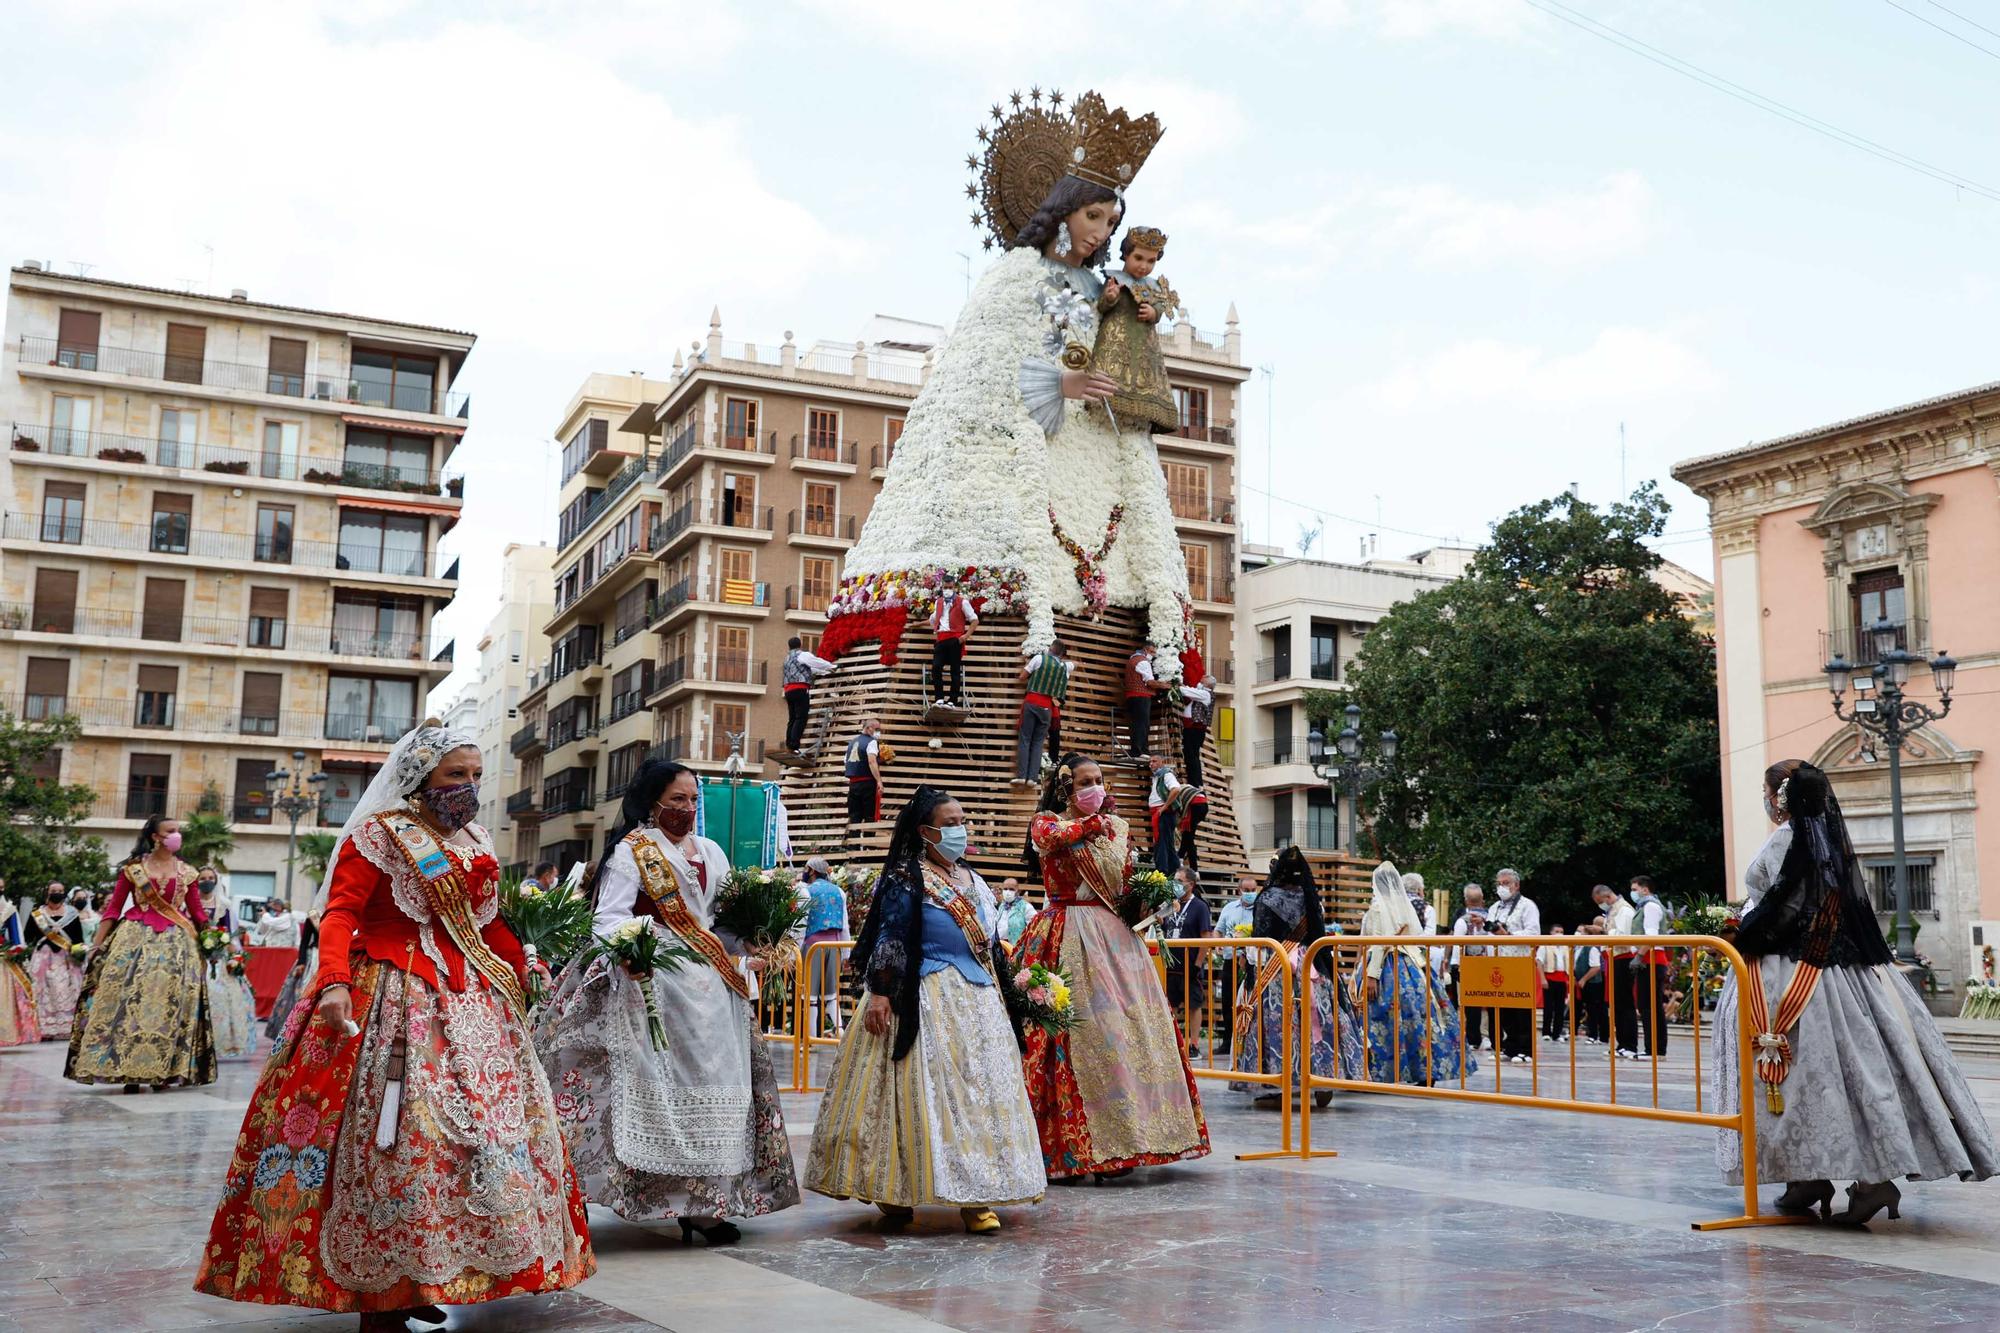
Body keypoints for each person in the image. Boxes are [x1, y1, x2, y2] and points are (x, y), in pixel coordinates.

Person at [195, 722, 591, 1326]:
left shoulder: (473, 840)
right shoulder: (379, 836)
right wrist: (331, 981)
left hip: (473, 1009)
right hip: (391, 999)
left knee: (469, 1148)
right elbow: (340, 914)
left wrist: (525, 965)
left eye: (476, 775)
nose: (469, 786)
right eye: (456, 774)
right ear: (421, 777)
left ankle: (429, 1275)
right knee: (397, 1142)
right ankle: (378, 1294)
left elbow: (489, 926)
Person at [822, 89, 1190, 663]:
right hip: (1013, 468)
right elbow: (989, 372)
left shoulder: (1102, 289)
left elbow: (1117, 354)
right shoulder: (1015, 277)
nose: (1100, 232)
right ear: (1062, 209)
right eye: (1092, 215)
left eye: (1110, 221)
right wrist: (1060, 385)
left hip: (1100, 453)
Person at [1713, 759, 1998, 1225]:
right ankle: (1824, 1177)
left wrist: (1738, 933)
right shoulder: (1825, 842)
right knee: (1849, 1074)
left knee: (1802, 1075)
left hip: (1791, 976)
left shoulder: (1789, 840)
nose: (1765, 802)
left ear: (1779, 796)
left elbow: (1785, 908)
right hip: (1844, 975)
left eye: (1766, 793)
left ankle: (1848, 1179)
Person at [535, 758, 799, 1243]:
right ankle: (585, 1192)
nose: (689, 808)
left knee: (714, 1091)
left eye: (694, 799)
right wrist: (633, 949)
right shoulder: (631, 853)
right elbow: (608, 918)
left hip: (713, 990)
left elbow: (720, 922)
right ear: (651, 802)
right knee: (615, 1090)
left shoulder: (712, 852)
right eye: (678, 799)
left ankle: (703, 1206)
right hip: (649, 980)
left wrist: (752, 944)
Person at [806, 786, 1045, 1232]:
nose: (960, 829)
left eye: (962, 821)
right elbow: (891, 934)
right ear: (925, 831)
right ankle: (896, 1189)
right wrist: (879, 992)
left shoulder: (971, 879)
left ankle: (979, 1196)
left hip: (978, 1000)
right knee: (920, 1094)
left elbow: (990, 945)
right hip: (924, 994)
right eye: (950, 823)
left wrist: (1017, 991)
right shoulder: (905, 875)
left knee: (981, 1096)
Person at [1017, 753, 1210, 1180]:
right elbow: (1052, 838)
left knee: (1126, 1033)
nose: (1096, 788)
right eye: (1086, 781)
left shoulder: (1116, 831)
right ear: (1066, 786)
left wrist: (1149, 899)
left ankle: (1131, 1138)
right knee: (1078, 1033)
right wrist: (1095, 824)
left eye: (1100, 780)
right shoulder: (1047, 823)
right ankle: (1075, 1145)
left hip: (1117, 940)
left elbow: (1122, 887)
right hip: (1066, 932)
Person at [66, 815, 215, 1092]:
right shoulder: (132, 870)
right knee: (127, 1005)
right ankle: (129, 1071)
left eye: (178, 831)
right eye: (170, 831)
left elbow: (197, 914)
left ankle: (164, 1072)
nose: (176, 836)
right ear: (155, 837)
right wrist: (97, 945)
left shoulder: (189, 873)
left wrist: (213, 941)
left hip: (177, 946)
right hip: (134, 939)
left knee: (171, 1007)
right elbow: (113, 909)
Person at [1231, 847, 1360, 1107]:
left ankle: (1280, 1084)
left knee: (1279, 1022)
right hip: (1311, 964)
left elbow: (1261, 937)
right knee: (1319, 1019)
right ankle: (1324, 1077)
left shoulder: (1267, 898)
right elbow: (1318, 932)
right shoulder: (1310, 896)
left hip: (1278, 965)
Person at [1358, 861, 1473, 1085]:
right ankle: (1424, 1069)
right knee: (1418, 1018)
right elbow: (1418, 935)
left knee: (1379, 1018)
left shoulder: (1378, 908)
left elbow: (1380, 943)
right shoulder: (1406, 906)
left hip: (1384, 966)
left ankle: (1379, 1072)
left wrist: (1371, 976)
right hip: (1411, 965)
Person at [198, 869, 257, 1060]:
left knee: (224, 996)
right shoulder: (189, 904)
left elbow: (231, 935)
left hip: (219, 958)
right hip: (197, 955)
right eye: (202, 879)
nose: (206, 881)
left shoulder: (224, 906)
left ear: (216, 881)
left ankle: (220, 1042)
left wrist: (236, 959)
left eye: (210, 878)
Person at [1485, 869, 1540, 1064]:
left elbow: (1533, 933)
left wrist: (1508, 936)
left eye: (1506, 883)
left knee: (1521, 1007)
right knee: (1504, 1007)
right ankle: (1510, 1046)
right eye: (1499, 883)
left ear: (1516, 885)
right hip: (1498, 963)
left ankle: (1526, 1049)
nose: (1502, 887)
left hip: (1519, 961)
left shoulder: (1527, 906)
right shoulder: (1494, 908)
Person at [1163, 867, 1214, 1051]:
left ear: (1190, 885)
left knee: (1193, 1005)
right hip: (1170, 965)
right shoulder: (1170, 904)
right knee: (1171, 1005)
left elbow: (1206, 936)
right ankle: (1172, 1043)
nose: (1175, 884)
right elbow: (1161, 924)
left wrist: (1197, 964)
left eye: (1179, 881)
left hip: (1190, 965)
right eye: (1174, 880)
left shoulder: (1200, 906)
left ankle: (1193, 1044)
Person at [1588, 882, 1640, 1058]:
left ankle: (1630, 1044)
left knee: (1625, 1004)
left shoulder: (1624, 910)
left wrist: (1603, 933)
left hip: (1624, 958)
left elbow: (1624, 935)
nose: (1600, 905)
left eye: (1599, 901)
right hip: (1614, 957)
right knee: (1617, 1004)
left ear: (1607, 897)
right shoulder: (1612, 910)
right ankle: (1621, 1043)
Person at [27, 884, 85, 1040]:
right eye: (54, 891)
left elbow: (79, 938)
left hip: (66, 960)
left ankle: (68, 1026)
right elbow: (28, 936)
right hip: (43, 958)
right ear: (47, 893)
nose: (57, 894)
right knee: (42, 991)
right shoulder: (37, 914)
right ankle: (44, 1029)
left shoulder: (72, 913)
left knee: (65, 990)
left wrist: (80, 955)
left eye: (60, 891)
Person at [801, 857, 850, 1037]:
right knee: (831, 994)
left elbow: (801, 923)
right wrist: (846, 953)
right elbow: (845, 924)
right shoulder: (839, 891)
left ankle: (811, 1039)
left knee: (810, 997)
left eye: (806, 868)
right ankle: (840, 1034)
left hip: (813, 945)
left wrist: (795, 953)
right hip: (835, 944)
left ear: (812, 871)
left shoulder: (806, 891)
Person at [1015, 639, 1073, 786]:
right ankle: (1033, 779)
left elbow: (1022, 677)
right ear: (1061, 654)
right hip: (1047, 707)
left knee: (1025, 739)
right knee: (1038, 742)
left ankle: (1022, 776)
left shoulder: (1039, 658)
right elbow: (1074, 664)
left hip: (1033, 701)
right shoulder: (1064, 667)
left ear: (1050, 648)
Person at [1213, 876, 1258, 1055]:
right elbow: (1218, 930)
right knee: (1228, 1001)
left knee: (1249, 1000)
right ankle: (1228, 1040)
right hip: (1230, 959)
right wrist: (1216, 942)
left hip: (1251, 961)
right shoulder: (1229, 908)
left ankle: (1248, 1039)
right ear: (1239, 890)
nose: (1249, 893)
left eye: (1252, 890)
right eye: (1246, 890)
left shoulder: (1260, 909)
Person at [1629, 876, 1673, 1057]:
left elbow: (1651, 935)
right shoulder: (1646, 906)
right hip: (1649, 959)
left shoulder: (1651, 906)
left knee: (1649, 1006)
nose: (1633, 892)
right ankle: (1654, 1048)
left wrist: (1639, 956)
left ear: (1645, 889)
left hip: (1651, 959)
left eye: (1634, 889)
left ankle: (1654, 1049)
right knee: (1647, 1005)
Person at [263, 910, 320, 1041]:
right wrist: (302, 962)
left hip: (331, 957)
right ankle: (295, 1032)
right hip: (314, 958)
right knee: (300, 996)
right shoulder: (313, 915)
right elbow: (304, 942)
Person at [1449, 885, 1492, 1052]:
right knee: (1487, 1001)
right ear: (1482, 900)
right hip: (1487, 964)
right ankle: (1486, 1035)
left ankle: (1473, 1038)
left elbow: (1457, 945)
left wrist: (1455, 965)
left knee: (1469, 1002)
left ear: (1466, 900)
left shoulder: (1462, 920)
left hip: (1466, 964)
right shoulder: (1490, 917)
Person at [927, 575, 979, 707]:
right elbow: (932, 619)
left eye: (950, 587)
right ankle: (939, 698)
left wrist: (965, 636)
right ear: (942, 587)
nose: (948, 590)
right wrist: (915, 625)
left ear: (954, 587)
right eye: (945, 587)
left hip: (955, 639)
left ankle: (952, 701)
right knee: (936, 667)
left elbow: (974, 620)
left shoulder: (963, 602)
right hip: (941, 639)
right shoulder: (938, 602)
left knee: (954, 671)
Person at [782, 636, 836, 753]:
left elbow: (809, 669)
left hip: (788, 690)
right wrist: (831, 666)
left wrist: (825, 671)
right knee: (801, 717)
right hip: (800, 689)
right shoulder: (802, 655)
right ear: (800, 645)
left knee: (792, 718)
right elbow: (815, 662)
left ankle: (789, 743)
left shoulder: (787, 658)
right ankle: (794, 745)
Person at [0, 894, 40, 1047]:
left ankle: (6, 1034)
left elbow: (16, 938)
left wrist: (15, 950)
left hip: (4, 960)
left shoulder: (8, 910)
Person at [844, 716, 886, 836]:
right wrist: (879, 781)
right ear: (869, 728)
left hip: (853, 784)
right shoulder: (871, 742)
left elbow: (846, 762)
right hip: (867, 783)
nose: (878, 732)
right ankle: (868, 846)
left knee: (855, 816)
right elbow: (871, 761)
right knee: (869, 815)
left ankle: (854, 847)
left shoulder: (852, 742)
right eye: (877, 729)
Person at [1144, 753, 1184, 876]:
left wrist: (1164, 807)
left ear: (1162, 762)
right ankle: (1175, 869)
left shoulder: (1166, 774)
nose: (1151, 764)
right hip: (1160, 812)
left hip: (1164, 813)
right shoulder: (1157, 776)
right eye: (1150, 762)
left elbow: (1176, 789)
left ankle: (1162, 871)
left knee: (1161, 841)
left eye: (1154, 761)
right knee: (1166, 842)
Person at [1177, 673, 1215, 788]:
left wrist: (1177, 686)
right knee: (1191, 755)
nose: (1200, 680)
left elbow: (1187, 692)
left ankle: (1195, 782)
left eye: (1202, 680)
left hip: (1195, 729)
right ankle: (1195, 781)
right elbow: (1190, 690)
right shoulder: (1202, 693)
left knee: (1191, 755)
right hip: (1192, 729)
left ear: (1206, 683)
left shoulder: (1205, 694)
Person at [1124, 644, 1160, 761]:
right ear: (1146, 650)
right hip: (1141, 696)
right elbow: (1150, 682)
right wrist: (1166, 685)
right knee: (1142, 724)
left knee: (1138, 724)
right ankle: (1139, 751)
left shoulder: (1132, 659)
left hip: (1132, 696)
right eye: (1152, 652)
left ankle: (1139, 750)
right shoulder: (1143, 662)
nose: (1153, 655)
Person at [1537, 926, 1572, 1041]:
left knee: (1560, 1007)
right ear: (1551, 933)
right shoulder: (1545, 946)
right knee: (1548, 1007)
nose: (1559, 934)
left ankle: (1557, 1033)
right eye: (1556, 932)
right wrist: (1542, 979)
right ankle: (1546, 1032)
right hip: (1550, 977)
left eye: (1561, 932)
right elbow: (1539, 962)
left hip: (1562, 978)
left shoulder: (1566, 947)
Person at [1576, 929, 1608, 1044]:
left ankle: (1596, 1036)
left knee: (1596, 1009)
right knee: (1589, 1009)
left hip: (1593, 983)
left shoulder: (1592, 948)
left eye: (1582, 932)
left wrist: (1584, 979)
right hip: (1583, 982)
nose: (1579, 934)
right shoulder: (1578, 948)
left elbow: (1596, 967)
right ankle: (1594, 1034)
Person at [995, 878, 1033, 952]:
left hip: (1016, 949)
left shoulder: (1026, 907)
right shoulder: (1002, 906)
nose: (1008, 892)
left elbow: (1034, 928)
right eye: (1005, 889)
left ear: (1018, 891)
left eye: (1011, 889)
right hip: (999, 948)